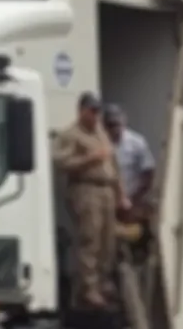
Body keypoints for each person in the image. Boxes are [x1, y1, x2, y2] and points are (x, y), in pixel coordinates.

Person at [52, 91, 129, 308]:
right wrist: (88, 159)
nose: (95, 116)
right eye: (92, 111)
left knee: (108, 239)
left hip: (106, 189)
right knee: (90, 238)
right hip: (86, 189)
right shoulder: (71, 134)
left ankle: (103, 282)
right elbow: (60, 161)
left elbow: (113, 165)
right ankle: (89, 287)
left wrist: (121, 194)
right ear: (82, 111)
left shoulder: (101, 133)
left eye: (98, 111)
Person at [103, 103, 155, 221]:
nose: (114, 129)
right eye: (110, 125)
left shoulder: (136, 142)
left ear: (123, 122)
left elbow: (149, 173)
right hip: (107, 202)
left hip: (132, 200)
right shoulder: (100, 142)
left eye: (117, 124)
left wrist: (134, 199)